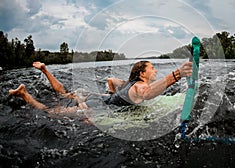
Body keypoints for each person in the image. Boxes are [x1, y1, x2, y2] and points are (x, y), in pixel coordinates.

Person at [9, 61, 192, 114]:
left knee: (65, 94)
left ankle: (45, 70)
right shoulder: (140, 86)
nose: (156, 70)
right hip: (95, 106)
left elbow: (111, 80)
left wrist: (113, 95)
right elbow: (148, 93)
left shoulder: (129, 82)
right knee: (51, 112)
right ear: (142, 73)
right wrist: (177, 74)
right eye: (152, 68)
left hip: (96, 97)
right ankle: (25, 94)